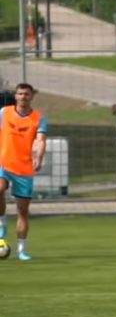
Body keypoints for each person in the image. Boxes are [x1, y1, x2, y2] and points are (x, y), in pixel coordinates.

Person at [0, 83, 48, 262]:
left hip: (24, 168)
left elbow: (41, 140)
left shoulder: (38, 118)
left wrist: (39, 157)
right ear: (15, 96)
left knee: (23, 210)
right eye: (20, 94)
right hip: (4, 162)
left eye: (26, 94)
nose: (23, 97)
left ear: (31, 97)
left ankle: (21, 250)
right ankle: (2, 221)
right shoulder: (4, 113)